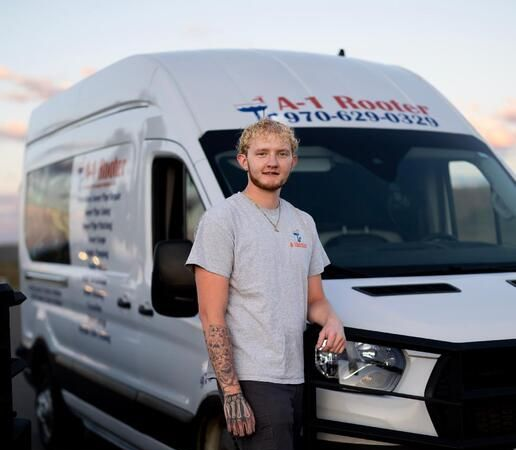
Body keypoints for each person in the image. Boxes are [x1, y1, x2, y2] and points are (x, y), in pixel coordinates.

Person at [186, 118, 346, 450]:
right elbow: (211, 316)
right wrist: (231, 393)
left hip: (298, 376)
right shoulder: (222, 220)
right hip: (253, 379)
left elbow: (314, 299)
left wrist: (331, 320)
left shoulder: (304, 222)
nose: (271, 162)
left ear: (293, 161)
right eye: (262, 153)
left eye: (281, 153)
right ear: (243, 160)